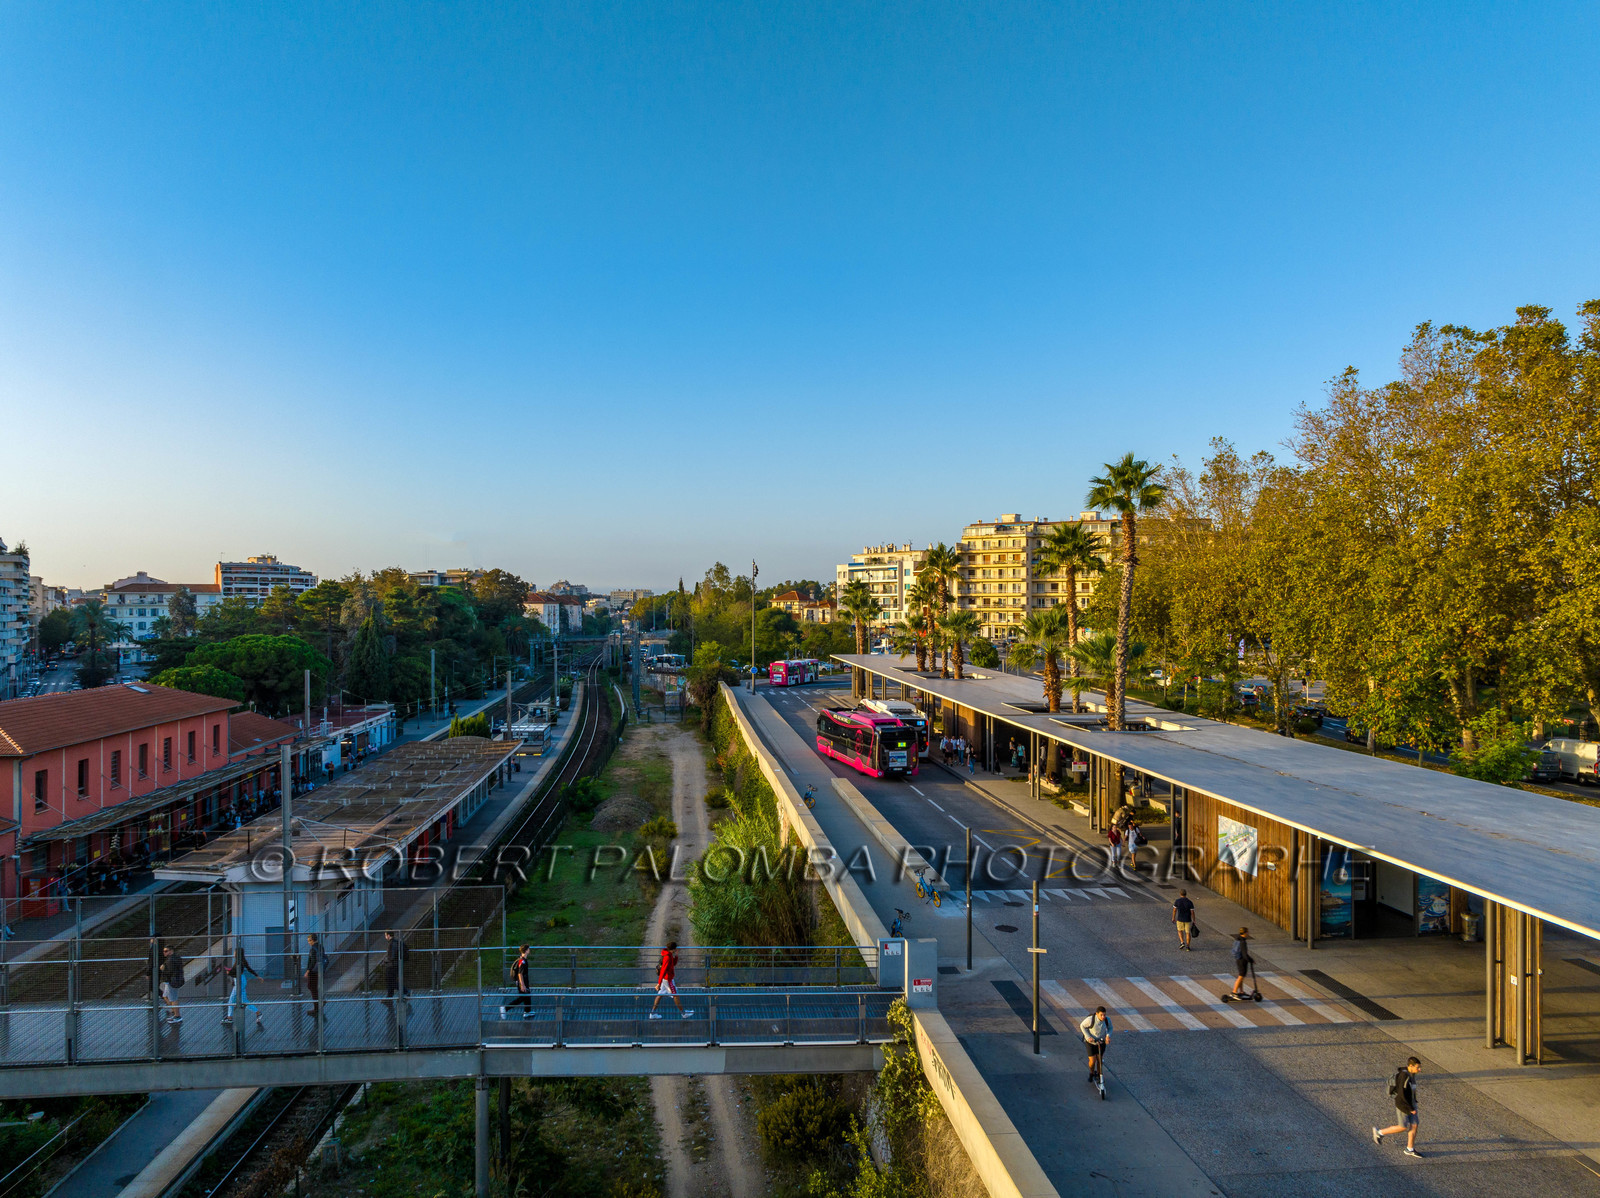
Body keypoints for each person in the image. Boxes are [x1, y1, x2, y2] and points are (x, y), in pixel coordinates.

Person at [1373, 1057, 1423, 1157]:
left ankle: (1410, 1149)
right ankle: (1379, 1132)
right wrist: (1410, 1109)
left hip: (1412, 1104)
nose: (1419, 1069)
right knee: (1402, 1127)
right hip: (1403, 1106)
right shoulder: (1404, 1077)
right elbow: (1402, 1095)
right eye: (1417, 1067)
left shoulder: (1410, 1074)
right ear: (1410, 1066)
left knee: (1414, 1125)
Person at [222, 948, 264, 1031]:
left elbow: (234, 973)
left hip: (239, 983)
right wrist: (257, 976)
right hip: (241, 981)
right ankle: (258, 1013)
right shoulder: (242, 961)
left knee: (231, 1000)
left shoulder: (238, 962)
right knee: (245, 1001)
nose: (233, 953)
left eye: (234, 952)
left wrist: (228, 972)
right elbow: (248, 969)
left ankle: (230, 1018)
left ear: (236, 953)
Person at [648, 940, 690, 1019]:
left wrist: (676, 956)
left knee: (660, 995)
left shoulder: (668, 954)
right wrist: (658, 983)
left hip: (666, 979)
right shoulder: (667, 957)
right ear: (673, 949)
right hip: (668, 980)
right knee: (675, 995)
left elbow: (673, 963)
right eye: (675, 949)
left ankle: (652, 1014)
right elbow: (663, 971)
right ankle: (683, 1014)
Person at [1079, 1004, 1112, 1083]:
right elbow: (1082, 1026)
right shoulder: (1090, 1020)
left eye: (1104, 1015)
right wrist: (1088, 1037)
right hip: (1091, 1043)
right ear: (1097, 1014)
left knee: (1099, 1060)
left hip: (1101, 1042)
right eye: (1101, 1015)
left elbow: (1110, 1028)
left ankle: (1099, 1074)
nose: (1103, 1017)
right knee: (1092, 1061)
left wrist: (1108, 1036)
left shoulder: (1107, 1020)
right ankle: (1091, 1073)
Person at [159, 944, 185, 1024]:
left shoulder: (170, 960)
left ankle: (177, 1016)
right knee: (165, 996)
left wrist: (163, 969)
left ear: (171, 951)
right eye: (163, 951)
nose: (164, 953)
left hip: (171, 981)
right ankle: (174, 1011)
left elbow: (170, 972)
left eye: (166, 951)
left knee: (173, 998)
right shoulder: (176, 958)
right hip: (174, 980)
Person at [507, 943, 533, 1017]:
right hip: (522, 982)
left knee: (527, 996)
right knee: (523, 997)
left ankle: (527, 1012)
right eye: (528, 949)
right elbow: (520, 974)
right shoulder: (523, 962)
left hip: (524, 981)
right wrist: (523, 985)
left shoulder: (522, 959)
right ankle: (506, 1008)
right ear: (526, 951)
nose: (529, 950)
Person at [303, 932, 326, 1017]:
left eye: (309, 940)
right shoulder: (320, 947)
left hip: (313, 971)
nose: (308, 942)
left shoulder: (313, 949)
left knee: (312, 987)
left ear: (312, 940)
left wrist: (307, 971)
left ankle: (317, 1007)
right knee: (316, 986)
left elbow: (312, 961)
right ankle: (320, 1001)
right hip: (320, 970)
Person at [384, 930, 407, 1001]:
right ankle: (389, 996)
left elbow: (392, 956)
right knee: (391, 981)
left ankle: (406, 991)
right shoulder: (396, 942)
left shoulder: (392, 944)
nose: (385, 937)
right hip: (396, 964)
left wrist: (386, 961)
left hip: (392, 965)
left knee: (391, 981)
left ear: (388, 935)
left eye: (385, 935)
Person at [1230, 927, 1253, 998]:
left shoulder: (1238, 939)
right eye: (1247, 932)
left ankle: (1241, 991)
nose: (1248, 933)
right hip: (1242, 960)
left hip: (1238, 959)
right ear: (1245, 932)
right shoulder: (1243, 942)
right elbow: (1244, 954)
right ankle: (1234, 992)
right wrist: (1250, 960)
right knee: (1240, 976)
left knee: (1241, 976)